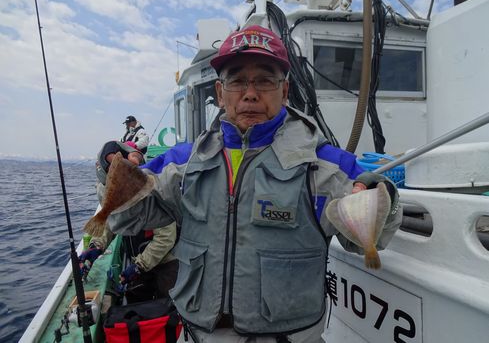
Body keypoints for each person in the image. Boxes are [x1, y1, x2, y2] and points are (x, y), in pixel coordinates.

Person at [106, 25, 402, 342]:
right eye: (236, 80)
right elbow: (124, 217)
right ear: (220, 93)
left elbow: (374, 237)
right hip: (197, 335)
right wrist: (110, 168)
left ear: (284, 91)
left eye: (264, 80)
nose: (250, 93)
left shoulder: (325, 165)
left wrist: (377, 193)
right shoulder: (184, 162)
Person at [81, 141, 178, 303]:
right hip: (137, 263)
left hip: (165, 263)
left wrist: (139, 266)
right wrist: (96, 246)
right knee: (135, 303)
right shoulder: (115, 198)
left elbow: (166, 238)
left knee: (169, 305)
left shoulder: (156, 194)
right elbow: (113, 219)